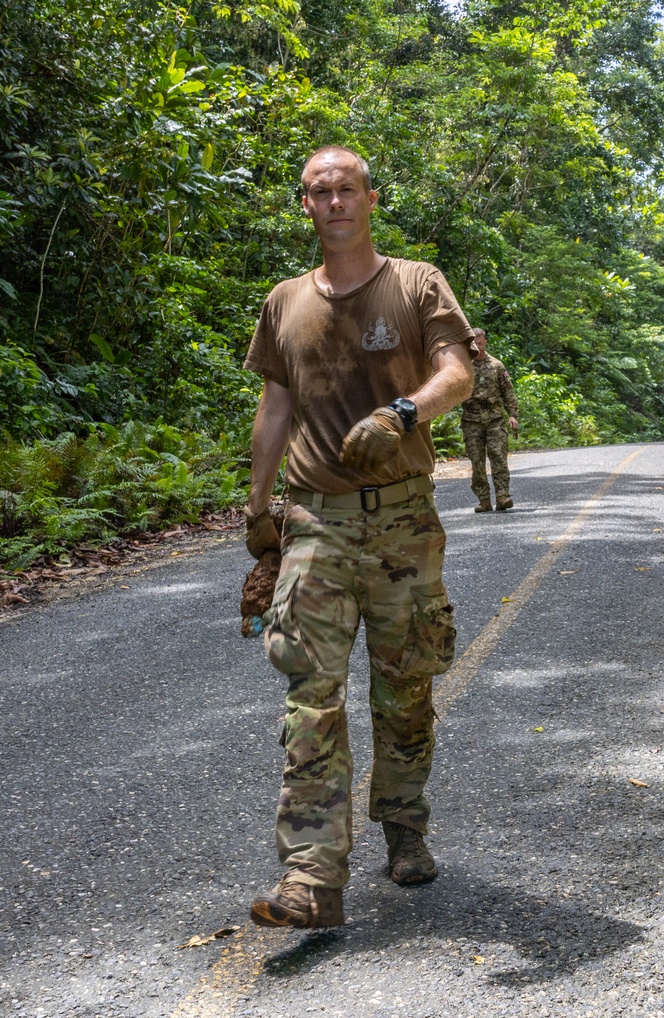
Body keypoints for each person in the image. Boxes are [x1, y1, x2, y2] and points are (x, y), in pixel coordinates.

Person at [241, 145, 475, 929]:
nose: (334, 200)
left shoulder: (416, 283)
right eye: (319, 190)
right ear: (304, 206)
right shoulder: (283, 302)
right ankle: (312, 877)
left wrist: (401, 413)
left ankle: (404, 825)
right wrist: (257, 509)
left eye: (347, 188)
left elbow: (457, 375)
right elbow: (275, 405)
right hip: (316, 521)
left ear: (371, 199)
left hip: (404, 516)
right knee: (311, 695)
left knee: (407, 685)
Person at [460, 328, 518, 512]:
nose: (478, 345)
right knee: (476, 461)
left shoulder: (496, 365)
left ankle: (502, 496)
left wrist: (513, 414)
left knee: (498, 457)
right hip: (471, 419)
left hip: (494, 418)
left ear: (485, 342)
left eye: (480, 341)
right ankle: (484, 500)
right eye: (474, 342)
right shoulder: (464, 366)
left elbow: (507, 391)